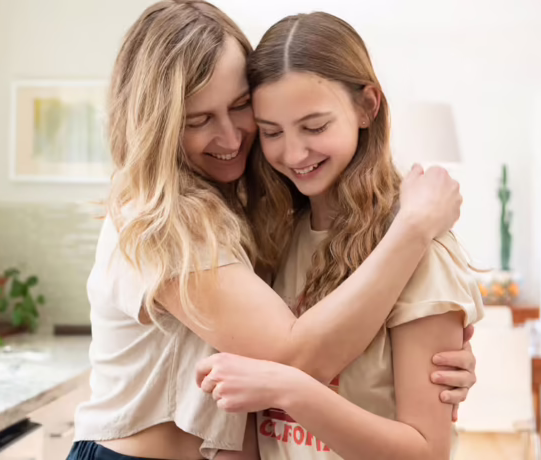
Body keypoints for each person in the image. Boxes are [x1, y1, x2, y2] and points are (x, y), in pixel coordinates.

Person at [70, 2, 478, 460]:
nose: (230, 138)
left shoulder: (262, 215)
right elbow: (294, 359)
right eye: (198, 120)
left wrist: (421, 355)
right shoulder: (163, 217)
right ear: (158, 126)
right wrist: (414, 229)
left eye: (240, 107)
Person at [196, 11, 485, 460]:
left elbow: (426, 453)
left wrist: (291, 387)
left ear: (368, 106)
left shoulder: (420, 247)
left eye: (315, 127)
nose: (293, 153)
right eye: (272, 132)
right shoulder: (271, 237)